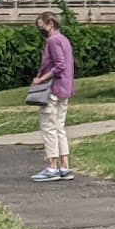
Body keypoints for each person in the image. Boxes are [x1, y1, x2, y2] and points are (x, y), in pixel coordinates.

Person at [30, 12, 75, 182]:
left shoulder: (53, 40)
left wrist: (41, 79)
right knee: (59, 127)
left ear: (50, 23)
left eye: (41, 25)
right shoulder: (64, 39)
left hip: (53, 90)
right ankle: (65, 165)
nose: (40, 29)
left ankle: (52, 166)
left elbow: (59, 65)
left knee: (48, 127)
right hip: (65, 88)